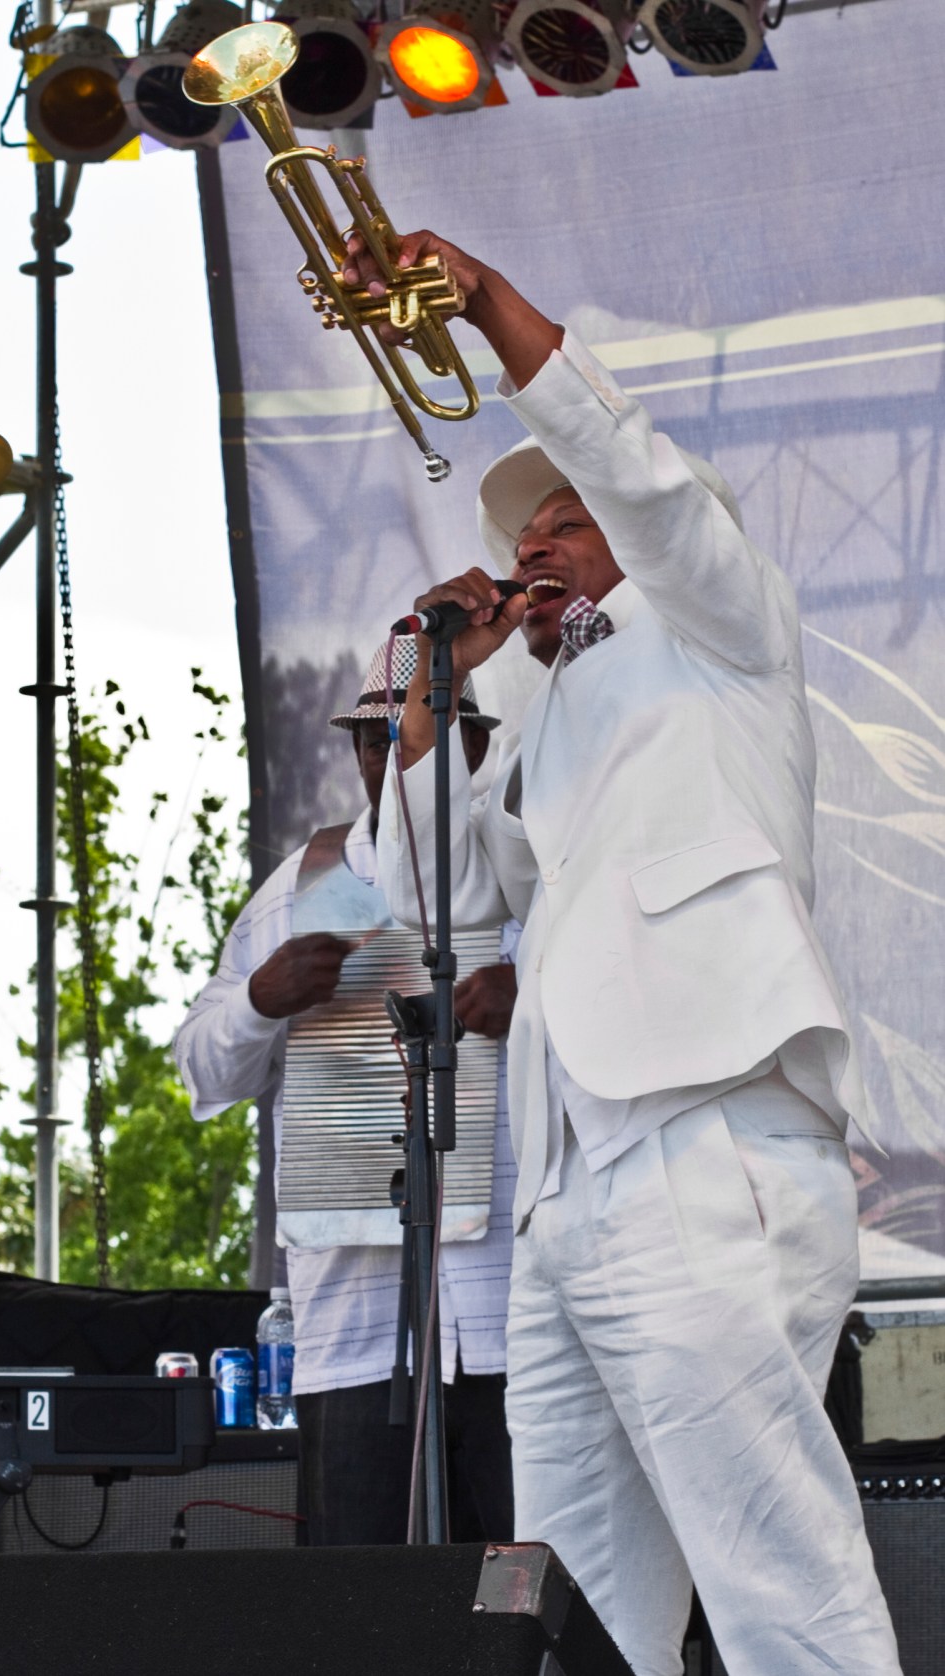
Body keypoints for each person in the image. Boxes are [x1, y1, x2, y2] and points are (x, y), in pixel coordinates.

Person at [352, 230, 904, 1675]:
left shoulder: (722, 624)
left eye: (563, 526)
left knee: (772, 1567)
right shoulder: (545, 712)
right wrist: (436, 708)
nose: (529, 547)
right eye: (521, 536)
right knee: (570, 1609)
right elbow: (429, 880)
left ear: (643, 544)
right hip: (562, 1183)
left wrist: (479, 305)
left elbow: (643, 476)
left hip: (699, 1142)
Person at [174, 639, 518, 1545]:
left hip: (515, 1319)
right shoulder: (299, 892)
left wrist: (536, 1001)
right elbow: (203, 1072)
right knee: (363, 1619)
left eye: (418, 737)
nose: (391, 758)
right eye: (376, 741)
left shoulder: (525, 877)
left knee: (540, 1602)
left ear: (470, 749)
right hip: (356, 1329)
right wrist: (258, 1001)